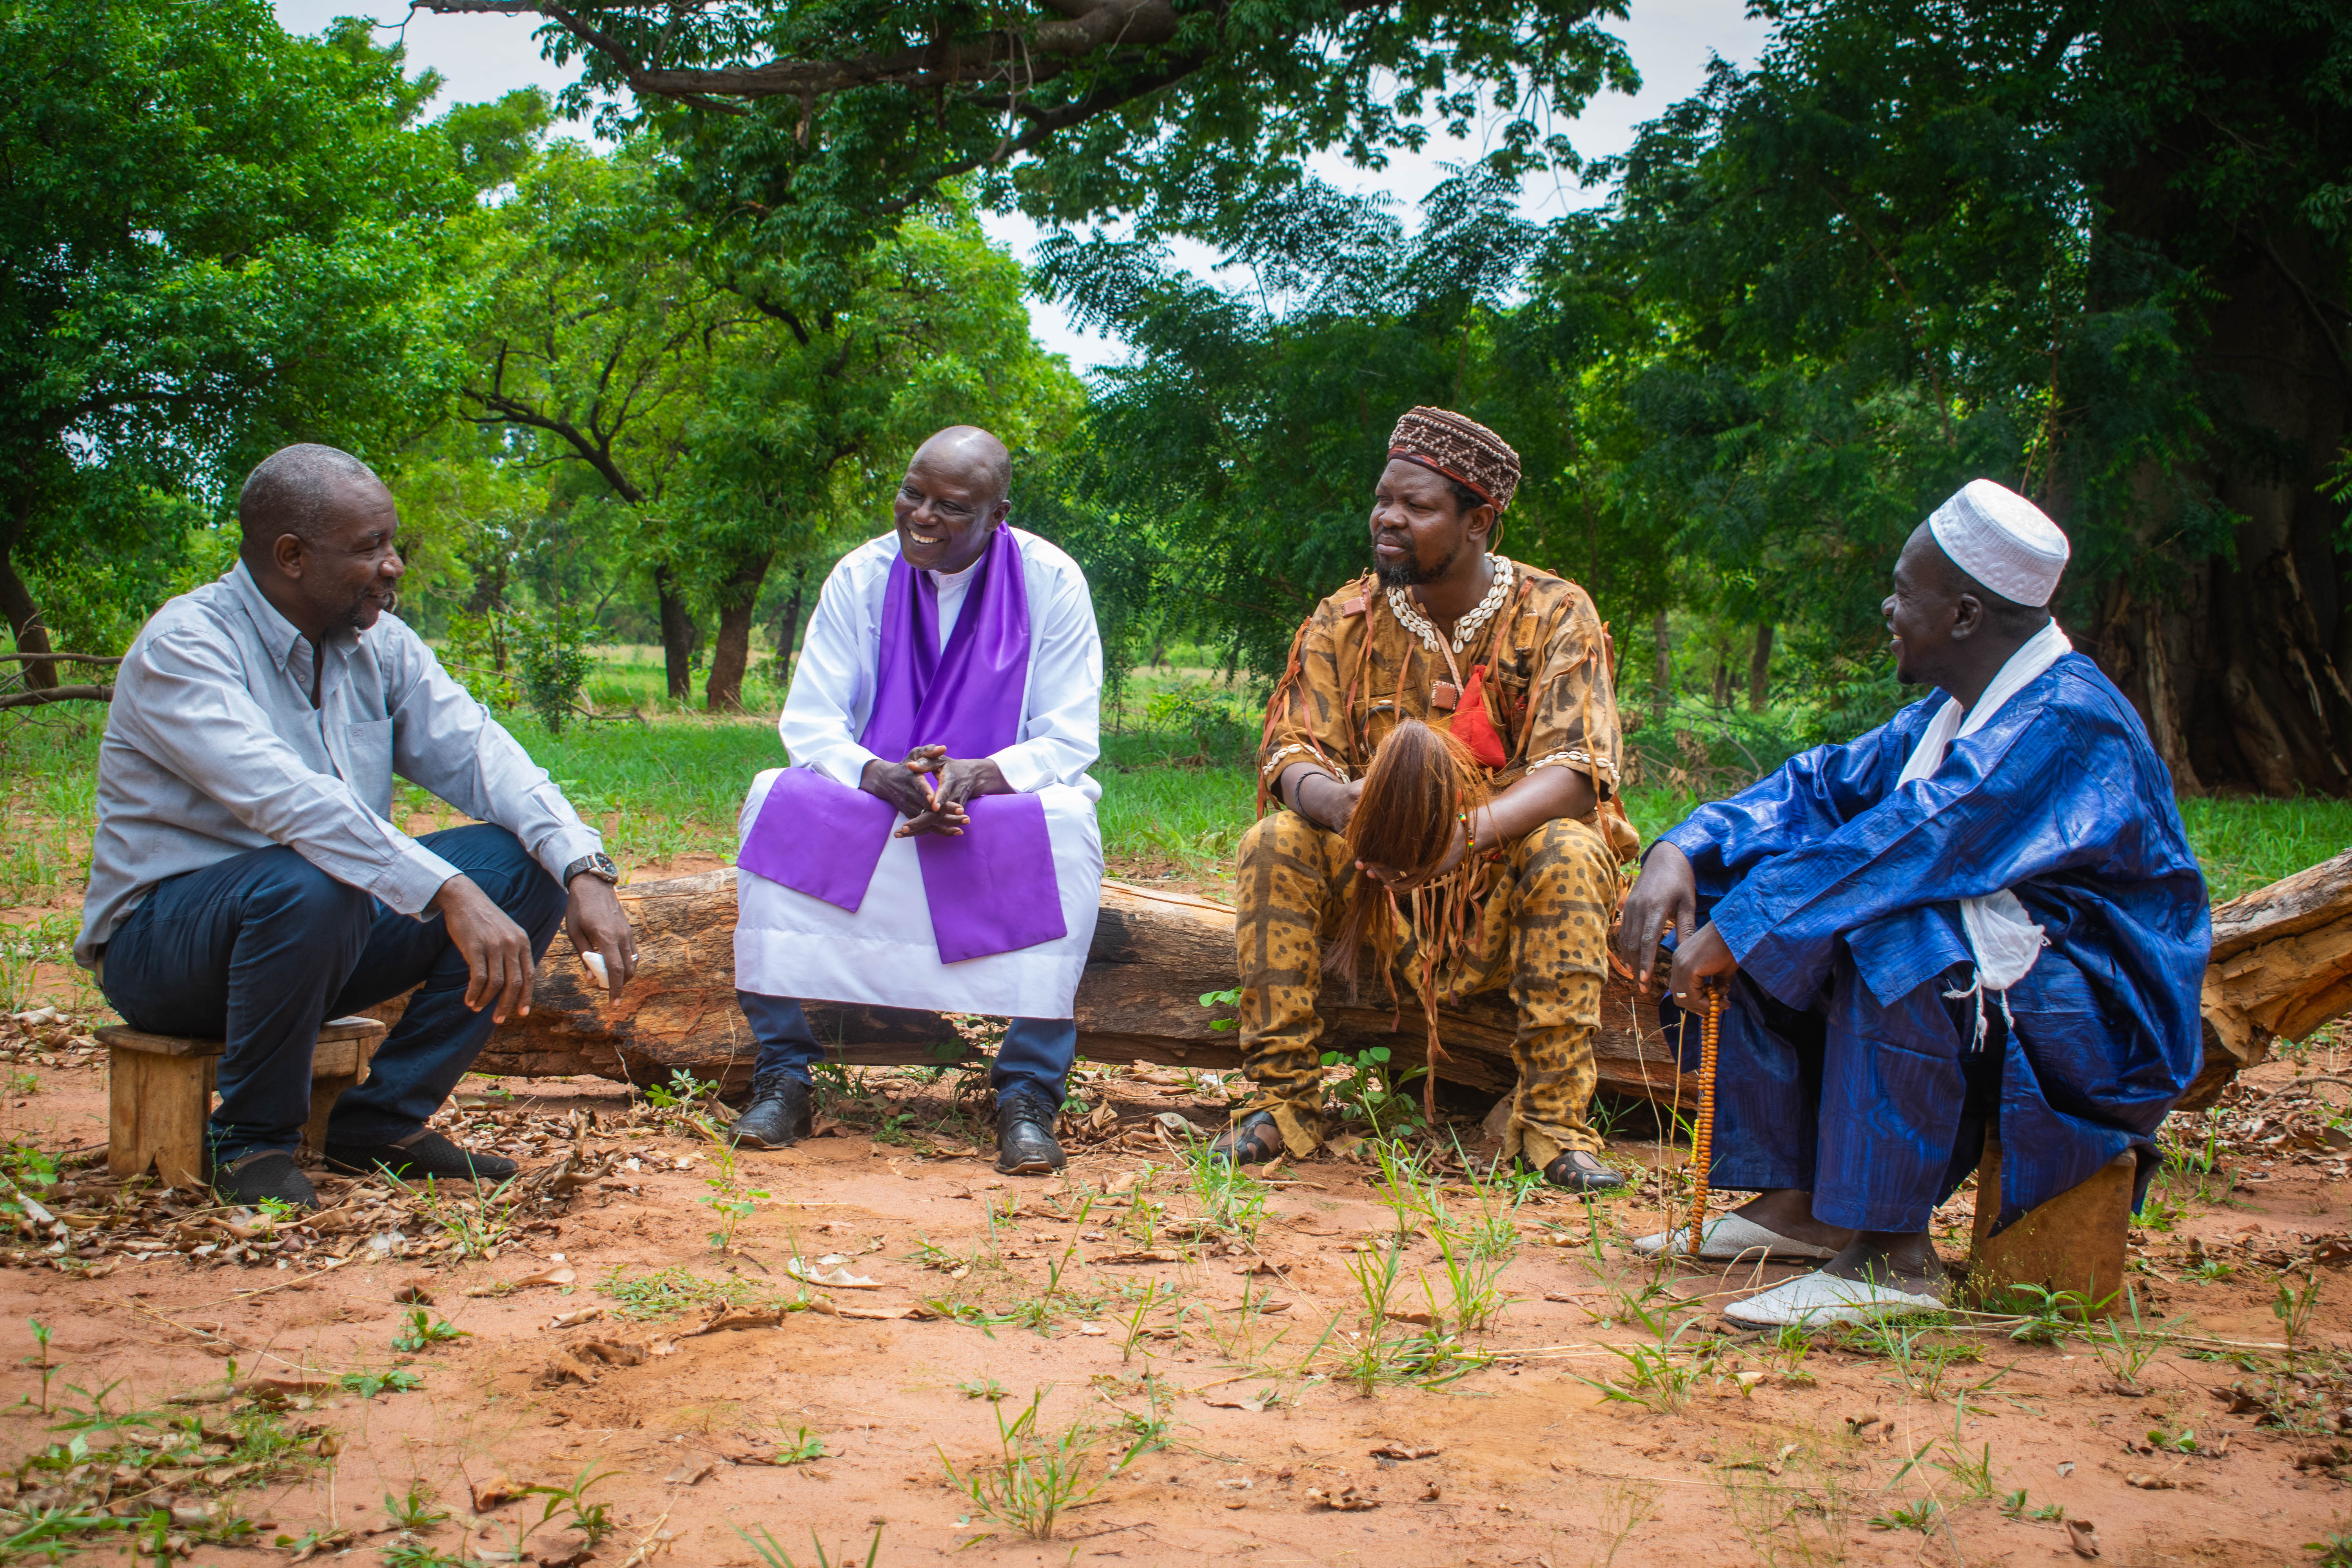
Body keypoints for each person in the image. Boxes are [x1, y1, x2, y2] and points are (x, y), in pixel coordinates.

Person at [1615, 480, 2209, 1327]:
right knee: (1725, 886)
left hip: (2103, 1020)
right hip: (2020, 969)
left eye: (1905, 590)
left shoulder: (2068, 720)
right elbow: (1822, 786)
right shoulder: (1950, 712)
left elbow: (1923, 836)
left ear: (1965, 615)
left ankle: (1892, 1259)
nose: (1889, 606)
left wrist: (1746, 926)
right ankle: (1809, 1205)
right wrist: (1684, 846)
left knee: (1888, 923)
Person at [78, 444, 640, 1210]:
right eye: (369, 545)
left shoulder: (379, 646)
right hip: (166, 950)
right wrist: (447, 889)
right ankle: (251, 1142)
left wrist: (582, 866)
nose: (394, 563)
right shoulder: (186, 648)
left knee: (525, 867)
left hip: (318, 928)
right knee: (316, 877)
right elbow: (293, 803)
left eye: (392, 541)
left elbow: (483, 756)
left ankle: (381, 1123)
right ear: (292, 556)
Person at [1216, 407, 1638, 1189]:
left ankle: (1553, 1125)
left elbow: (1578, 768)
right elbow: (1290, 748)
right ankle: (1284, 1102)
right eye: (1385, 499)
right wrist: (1340, 805)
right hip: (1379, 890)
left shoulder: (1554, 613)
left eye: (1417, 506)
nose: (1388, 518)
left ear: (1479, 521)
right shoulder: (1345, 618)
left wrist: (1464, 835)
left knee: (1571, 845)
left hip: (1505, 884)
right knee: (1277, 839)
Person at [728, 426, 1104, 1175]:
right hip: (875, 794)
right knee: (773, 798)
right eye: (912, 493)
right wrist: (876, 774)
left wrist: (977, 775)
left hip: (990, 798)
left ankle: (1027, 1090)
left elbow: (1067, 737)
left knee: (1066, 825)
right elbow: (810, 721)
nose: (921, 517)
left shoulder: (1051, 581)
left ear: (999, 514)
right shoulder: (861, 575)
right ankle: (784, 1073)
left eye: (951, 507)